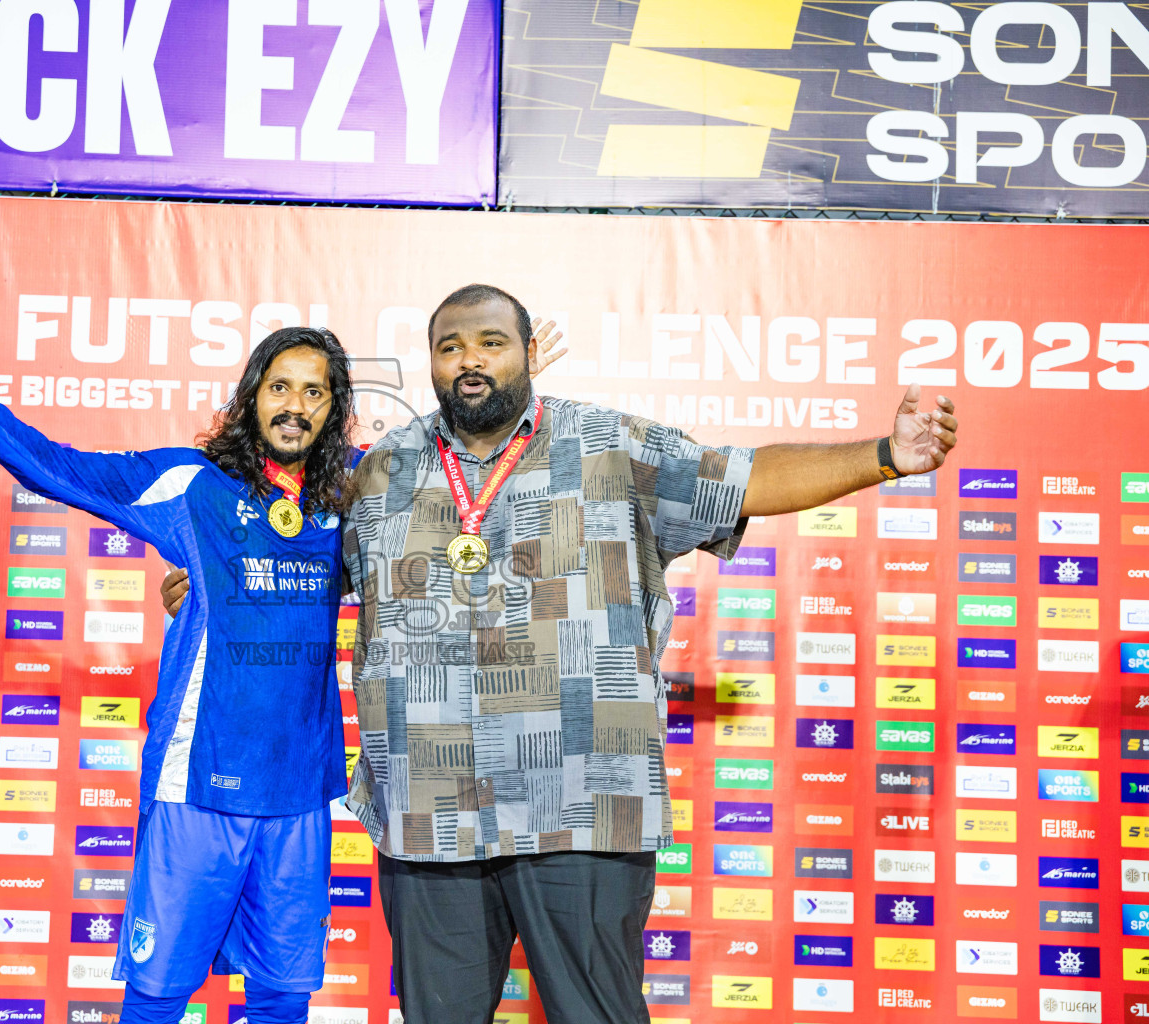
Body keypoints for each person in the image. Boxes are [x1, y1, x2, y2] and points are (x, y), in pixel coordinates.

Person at [335, 283, 958, 1023]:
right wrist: (205, 585)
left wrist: (886, 455)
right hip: (426, 808)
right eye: (450, 347)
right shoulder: (379, 471)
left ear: (530, 353)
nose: (470, 361)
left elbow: (746, 477)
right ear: (431, 364)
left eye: (490, 343)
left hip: (583, 796)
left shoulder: (610, 444)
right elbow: (297, 572)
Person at [0, 288, 355, 1024]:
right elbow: (54, 466)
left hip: (299, 793)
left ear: (333, 408)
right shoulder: (190, 482)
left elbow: (447, 486)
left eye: (314, 391)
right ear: (251, 396)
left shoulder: (353, 492)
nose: (295, 405)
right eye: (279, 387)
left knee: (282, 997)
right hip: (196, 784)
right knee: (158, 995)